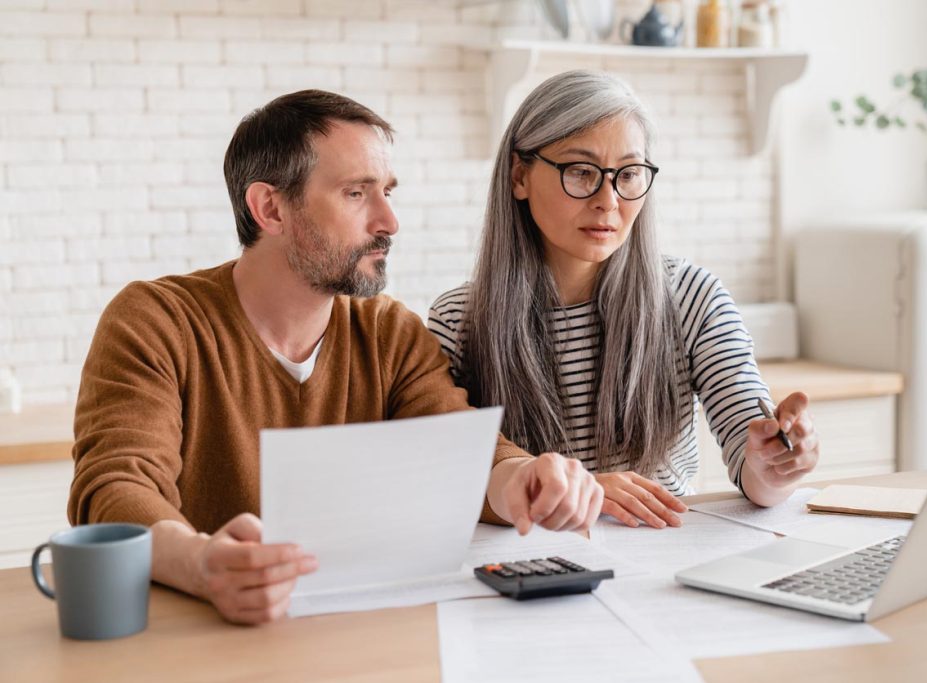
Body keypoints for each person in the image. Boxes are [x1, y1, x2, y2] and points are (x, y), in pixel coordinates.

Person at [68, 89, 603, 625]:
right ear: (270, 208)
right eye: (355, 193)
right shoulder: (158, 321)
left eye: (387, 192)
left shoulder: (389, 332)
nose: (389, 221)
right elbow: (114, 489)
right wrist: (201, 563)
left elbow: (462, 452)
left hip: (352, 631)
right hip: (200, 634)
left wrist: (526, 480)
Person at [428, 70, 820, 530]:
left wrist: (776, 462)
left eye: (629, 174)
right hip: (526, 567)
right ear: (519, 175)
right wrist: (585, 493)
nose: (608, 201)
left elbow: (754, 469)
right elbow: (447, 479)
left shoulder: (691, 296)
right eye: (580, 172)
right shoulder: (459, 320)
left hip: (659, 557)